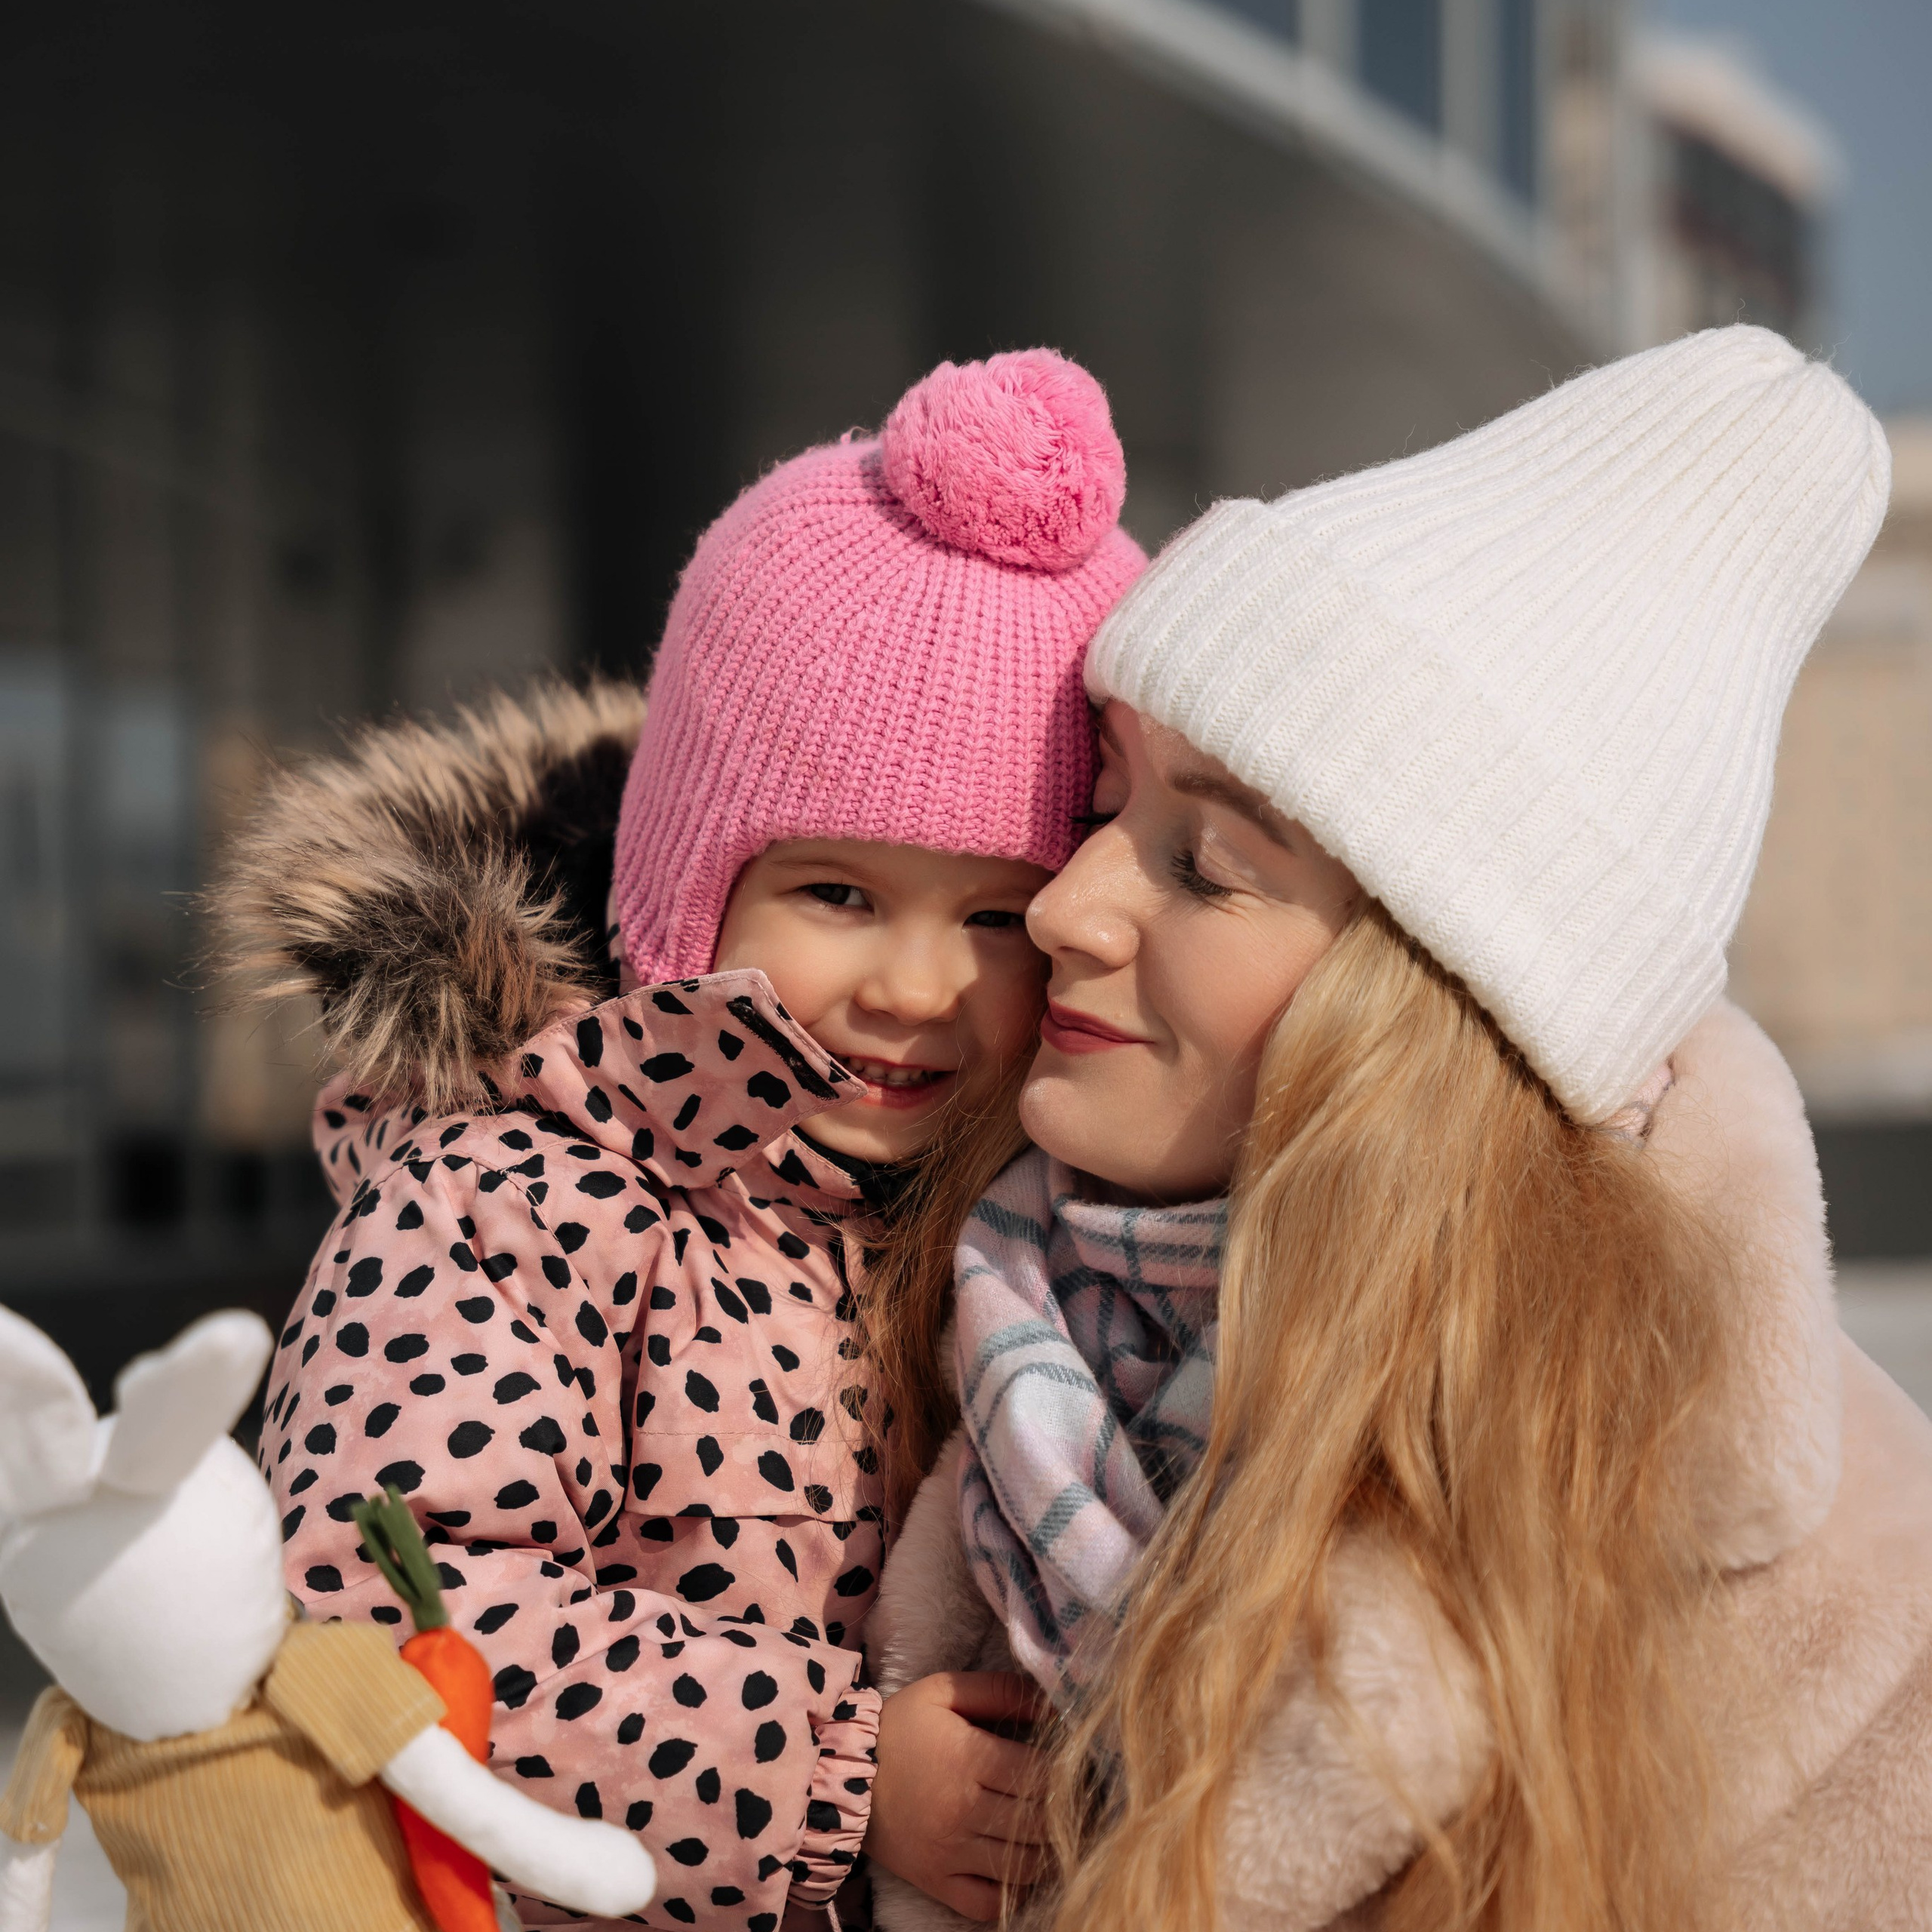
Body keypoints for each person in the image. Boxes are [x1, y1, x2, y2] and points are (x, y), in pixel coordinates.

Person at [869, 326, 1932, 1931]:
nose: (1067, 904)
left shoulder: (1843, 1615)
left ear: (1432, 1008)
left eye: (1206, 863)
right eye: (1099, 806)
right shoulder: (904, 1300)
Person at [212, 349, 1145, 1932]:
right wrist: (833, 1786)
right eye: (836, 894)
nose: (914, 986)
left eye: (993, 912)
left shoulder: (1038, 1218)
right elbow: (379, 1605)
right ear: (683, 887)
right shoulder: (510, 1197)